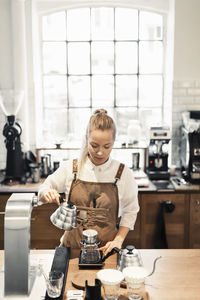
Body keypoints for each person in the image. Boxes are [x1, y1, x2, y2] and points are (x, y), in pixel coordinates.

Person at [38, 109, 139, 255]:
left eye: (107, 146)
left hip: (106, 251)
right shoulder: (71, 168)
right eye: (94, 145)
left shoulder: (123, 173)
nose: (100, 152)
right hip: (71, 249)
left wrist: (118, 240)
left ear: (113, 142)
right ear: (86, 139)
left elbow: (131, 210)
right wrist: (46, 193)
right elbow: (44, 188)